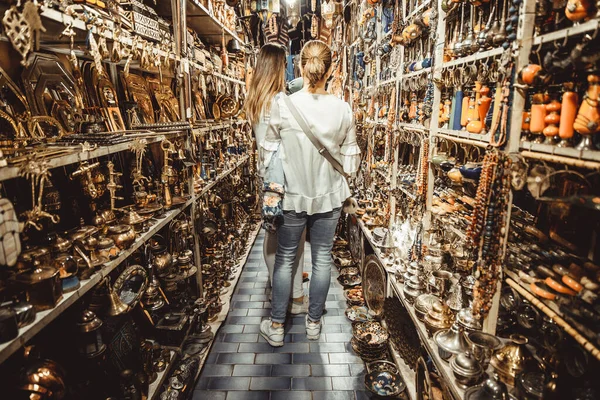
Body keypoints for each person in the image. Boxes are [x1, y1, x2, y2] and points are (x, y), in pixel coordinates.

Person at [259, 40, 361, 347]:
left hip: (292, 196)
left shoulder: (282, 104)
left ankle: (277, 326)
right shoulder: (342, 109)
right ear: (330, 70)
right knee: (321, 260)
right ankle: (314, 323)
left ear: (301, 66)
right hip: (328, 197)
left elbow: (268, 152)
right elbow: (352, 161)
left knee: (286, 261)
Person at [245, 43, 308, 314]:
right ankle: (292, 295)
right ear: (278, 67)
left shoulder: (255, 100)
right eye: (285, 64)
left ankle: (278, 282)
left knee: (273, 232)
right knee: (294, 235)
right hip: (286, 176)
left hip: (268, 175)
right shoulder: (281, 101)